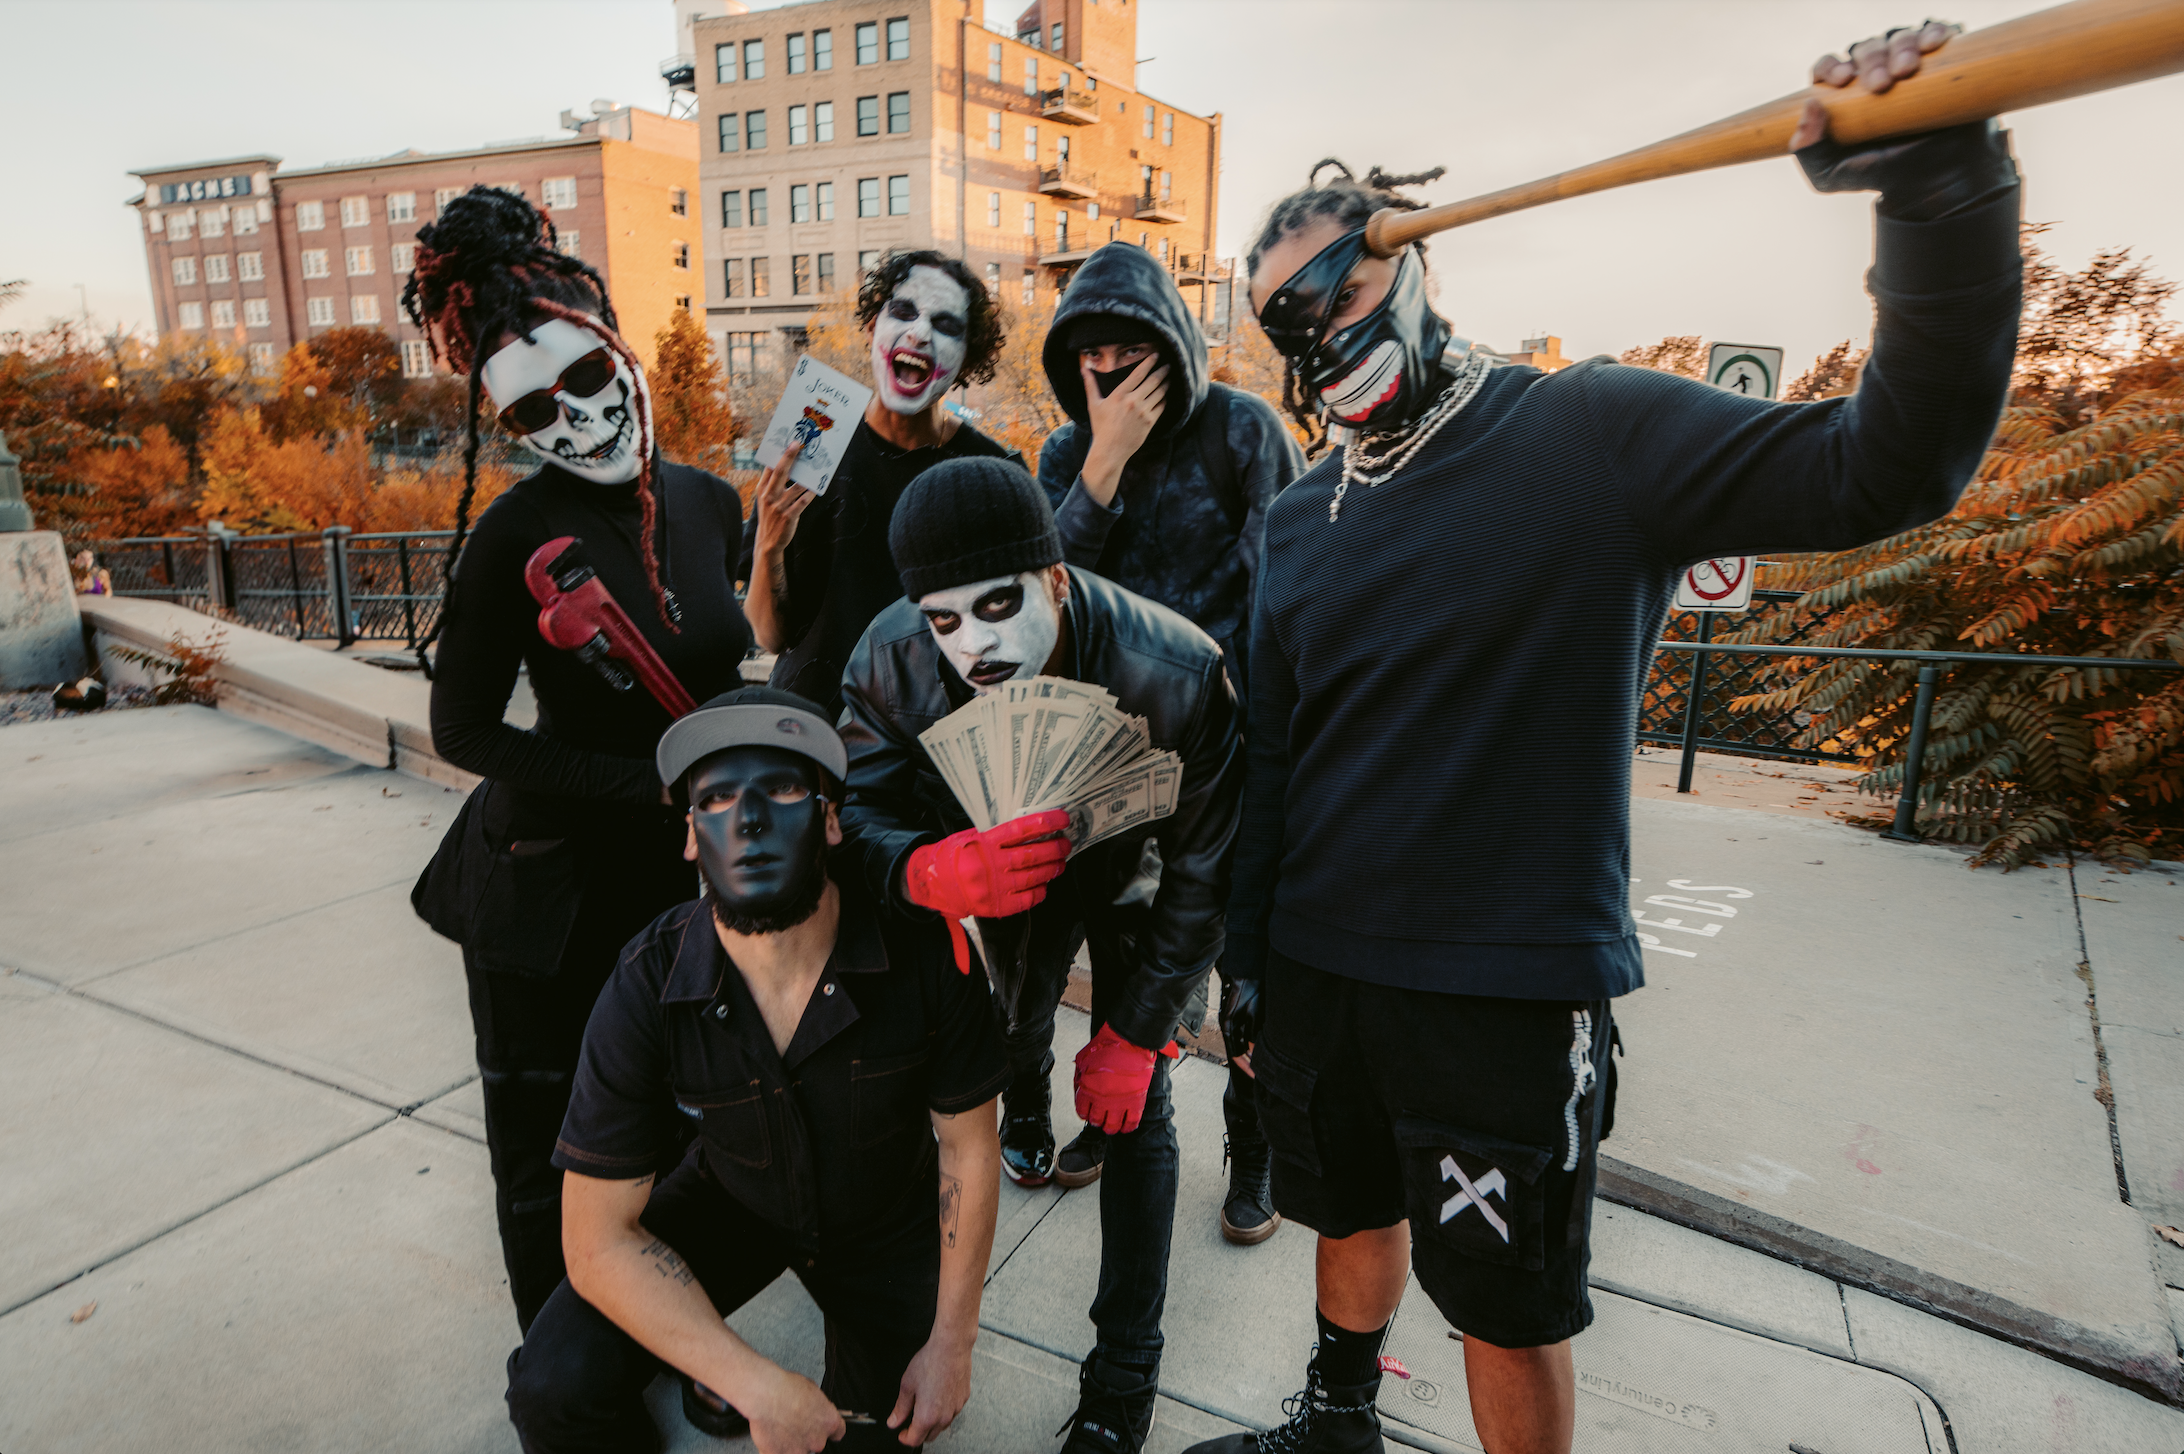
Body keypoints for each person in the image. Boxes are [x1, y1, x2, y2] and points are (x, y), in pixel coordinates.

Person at [1196, 23, 2022, 1454]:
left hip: (1503, 984)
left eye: (1340, 282)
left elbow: (1891, 462)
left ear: (1417, 262)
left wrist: (1938, 191)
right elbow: (1275, 755)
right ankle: (1336, 1428)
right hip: (1323, 963)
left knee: (1507, 1302)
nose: (1317, 327)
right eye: (1282, 317)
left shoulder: (1588, 431)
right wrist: (1249, 960)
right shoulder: (1295, 517)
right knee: (1346, 1210)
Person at [836, 456, 1244, 1454]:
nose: (971, 643)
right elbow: (856, 805)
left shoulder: (1180, 673)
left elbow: (1207, 874)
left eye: (995, 605)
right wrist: (921, 869)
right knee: (1005, 1028)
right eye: (943, 619)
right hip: (992, 853)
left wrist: (1141, 1030)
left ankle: (1121, 1384)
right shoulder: (890, 660)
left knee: (1136, 1103)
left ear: (1057, 579)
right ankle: (1026, 1105)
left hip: (1131, 865)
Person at [402, 187, 754, 1333]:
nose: (575, 420)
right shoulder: (513, 533)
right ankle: (561, 1368)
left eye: (589, 381)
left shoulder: (711, 503)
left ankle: (681, 1334)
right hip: (541, 898)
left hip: (678, 881)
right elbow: (462, 730)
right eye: (533, 411)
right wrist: (644, 781)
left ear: (624, 354)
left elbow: (738, 656)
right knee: (547, 1145)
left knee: (691, 1120)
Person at [505, 687, 1007, 1453]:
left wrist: (954, 1341)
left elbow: (968, 1147)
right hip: (734, 1197)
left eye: (780, 787)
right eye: (714, 798)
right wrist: (748, 1378)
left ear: (832, 820)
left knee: (886, 1430)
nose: (747, 819)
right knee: (552, 1385)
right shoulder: (648, 981)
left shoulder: (926, 954)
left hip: (881, 1216)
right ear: (688, 837)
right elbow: (597, 1241)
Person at [1031, 242, 1305, 1241]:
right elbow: (1044, 608)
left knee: (1244, 964)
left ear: (1170, 346)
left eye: (1130, 349)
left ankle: (1257, 1154)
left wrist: (1245, 719)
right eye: (1090, 353)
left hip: (1233, 739)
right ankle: (1123, 1112)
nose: (1111, 371)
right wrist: (1102, 461)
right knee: (1134, 945)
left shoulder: (1241, 428)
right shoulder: (1068, 456)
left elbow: (1284, 585)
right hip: (1112, 752)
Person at [742, 250, 1020, 718]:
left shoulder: (993, 471)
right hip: (812, 733)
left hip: (933, 745)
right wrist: (768, 546)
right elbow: (768, 636)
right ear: (873, 326)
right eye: (904, 311)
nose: (919, 333)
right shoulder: (810, 441)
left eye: (947, 325)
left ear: (967, 356)